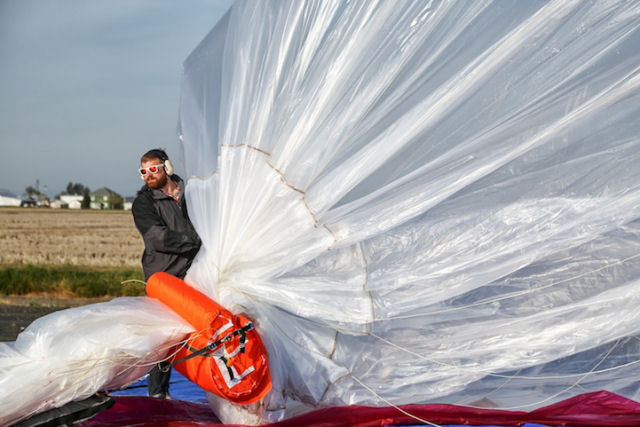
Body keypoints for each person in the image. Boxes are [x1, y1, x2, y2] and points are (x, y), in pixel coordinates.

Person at [132, 148, 202, 399]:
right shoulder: (144, 203)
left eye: (153, 169)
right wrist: (195, 241)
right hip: (164, 276)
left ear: (167, 168)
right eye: (143, 171)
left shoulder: (192, 192)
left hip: (194, 270)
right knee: (165, 337)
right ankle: (157, 394)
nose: (148, 175)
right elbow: (156, 238)